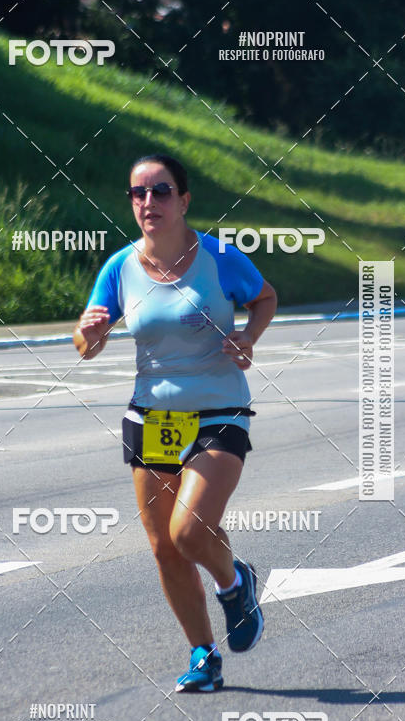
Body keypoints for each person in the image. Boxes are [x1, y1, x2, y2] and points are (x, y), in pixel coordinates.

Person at [73, 154, 277, 692]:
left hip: (219, 410)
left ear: (183, 200)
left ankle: (234, 583)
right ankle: (203, 655)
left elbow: (264, 298)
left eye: (161, 191)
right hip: (152, 416)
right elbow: (87, 343)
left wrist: (249, 337)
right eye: (138, 193)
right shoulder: (120, 268)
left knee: (188, 531)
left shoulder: (219, 257)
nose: (148, 202)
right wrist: (88, 335)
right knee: (164, 546)